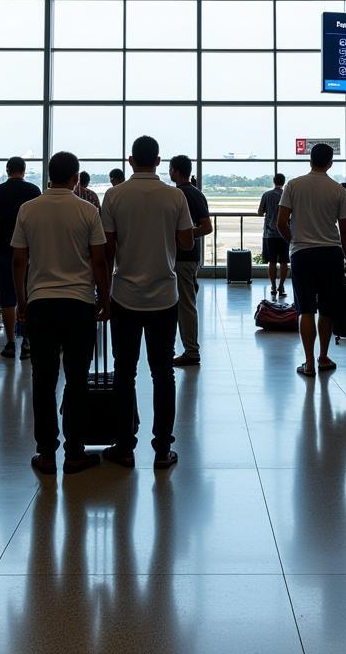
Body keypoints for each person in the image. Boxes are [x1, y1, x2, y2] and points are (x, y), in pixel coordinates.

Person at [12, 151, 110, 475]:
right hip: (79, 304)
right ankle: (74, 451)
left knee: (43, 379)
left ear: (48, 175)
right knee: (77, 380)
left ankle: (46, 453)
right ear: (75, 177)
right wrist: (104, 298)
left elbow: (19, 261)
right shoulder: (87, 210)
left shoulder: (29, 210)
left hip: (41, 303)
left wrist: (22, 301)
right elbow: (98, 261)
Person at [100, 136, 194, 469]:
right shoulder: (174, 196)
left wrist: (103, 291)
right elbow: (185, 241)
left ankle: (124, 447)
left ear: (130, 161)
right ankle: (162, 449)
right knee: (162, 373)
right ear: (158, 160)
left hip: (124, 295)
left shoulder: (114, 195)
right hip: (163, 297)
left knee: (124, 373)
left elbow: (107, 249)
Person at [277, 143, 346, 377]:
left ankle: (308, 363)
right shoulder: (339, 190)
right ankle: (323, 357)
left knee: (306, 309)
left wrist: (295, 241)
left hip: (302, 254)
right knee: (327, 309)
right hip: (331, 254)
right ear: (330, 163)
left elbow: (280, 222)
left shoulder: (293, 185)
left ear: (310, 161)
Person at [0, 157, 42, 360]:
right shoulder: (34, 191)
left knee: (7, 298)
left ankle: (10, 343)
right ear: (24, 170)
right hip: (29, 251)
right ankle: (27, 342)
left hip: (4, 250)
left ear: (7, 169)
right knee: (28, 296)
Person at [168, 154, 212, 367]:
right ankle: (188, 348)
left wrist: (182, 235)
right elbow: (206, 226)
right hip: (191, 258)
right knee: (186, 303)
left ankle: (191, 351)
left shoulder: (178, 195)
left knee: (184, 304)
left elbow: (206, 228)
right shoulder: (196, 193)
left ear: (174, 171)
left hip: (181, 257)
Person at [258, 173, 289, 298]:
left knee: (271, 262)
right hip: (284, 233)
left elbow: (260, 212)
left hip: (270, 234)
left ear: (273, 181)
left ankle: (273, 286)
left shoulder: (266, 195)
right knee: (284, 262)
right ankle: (281, 286)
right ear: (284, 181)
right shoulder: (286, 195)